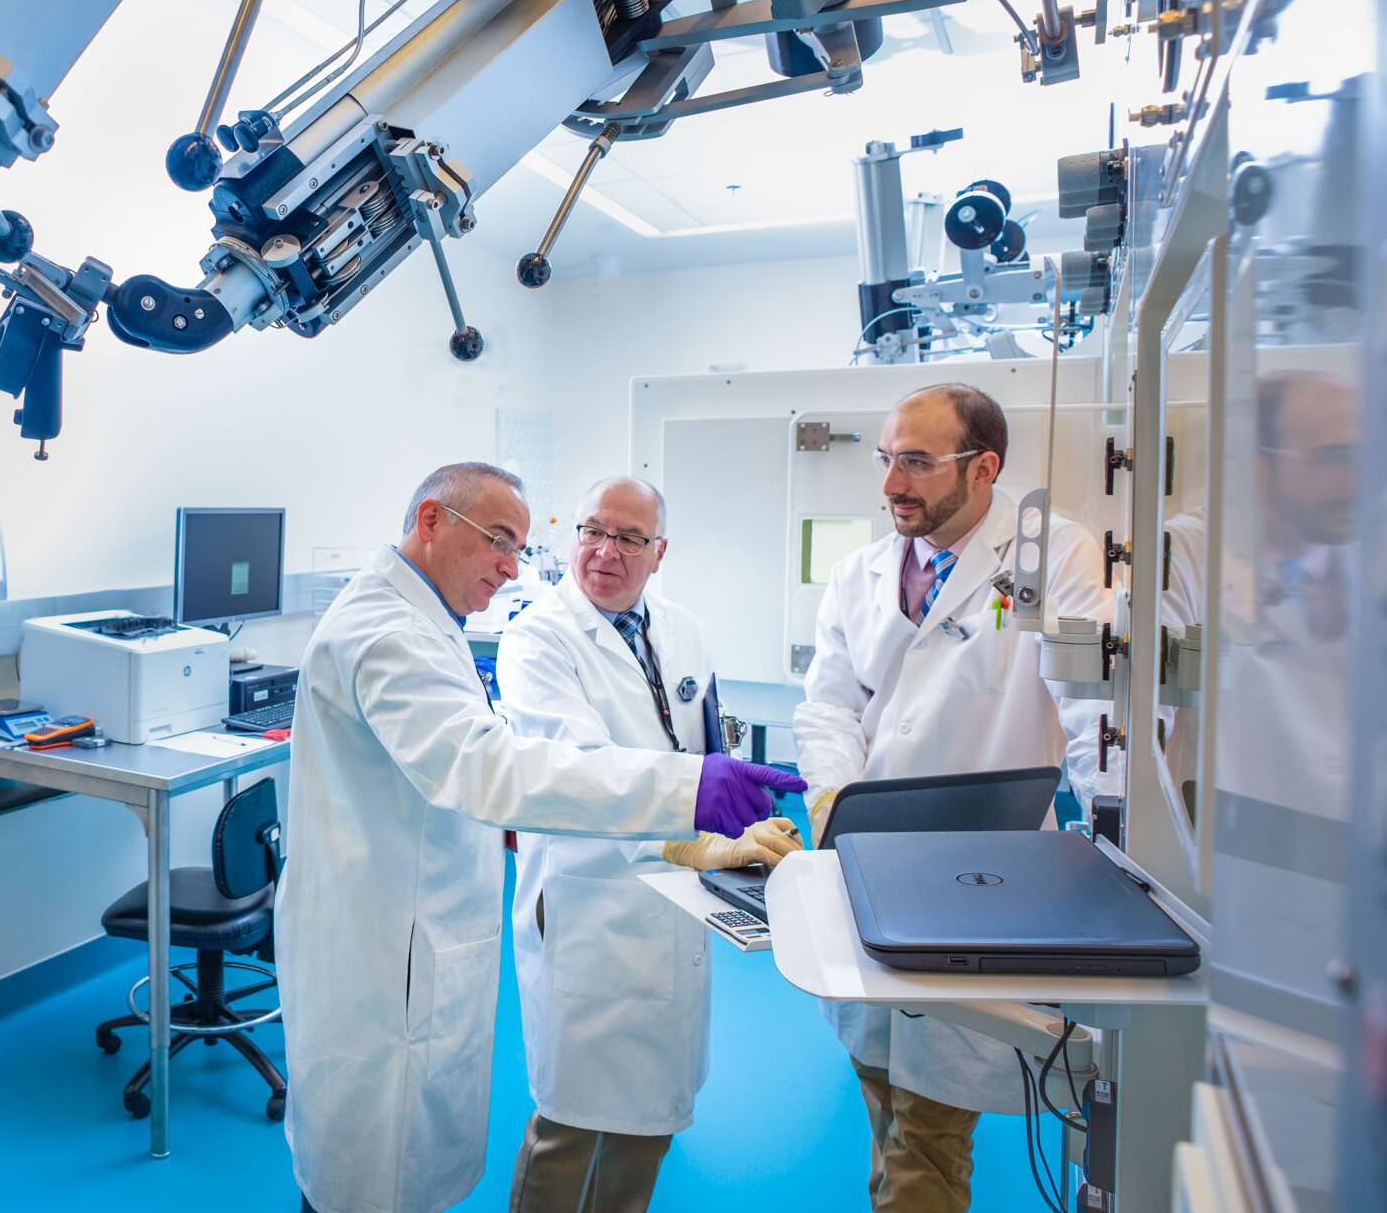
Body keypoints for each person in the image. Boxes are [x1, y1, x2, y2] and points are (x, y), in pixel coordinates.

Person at [276, 462, 805, 1213]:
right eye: (499, 540)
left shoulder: (426, 624)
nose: (512, 566)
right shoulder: (389, 634)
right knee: (367, 1179)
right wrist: (687, 793)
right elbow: (489, 769)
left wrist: (708, 802)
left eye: (521, 546)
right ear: (431, 522)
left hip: (425, 931)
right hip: (388, 948)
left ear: (660, 551)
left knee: (397, 1171)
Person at [791, 384, 1112, 1213]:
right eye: (887, 458)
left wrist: (1119, 840)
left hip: (980, 884)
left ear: (984, 469)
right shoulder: (860, 572)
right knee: (886, 1099)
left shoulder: (1053, 557)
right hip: (862, 865)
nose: (893, 483)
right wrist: (832, 801)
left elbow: (1095, 712)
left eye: (918, 463)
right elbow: (830, 703)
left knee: (928, 1131)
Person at [500, 476, 800, 1213]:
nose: (605, 551)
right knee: (567, 1130)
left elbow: (700, 740)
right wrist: (692, 812)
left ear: (658, 552)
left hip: (675, 909)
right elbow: (576, 768)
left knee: (650, 1122)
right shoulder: (536, 638)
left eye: (629, 538)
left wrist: (734, 832)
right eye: (591, 531)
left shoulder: (684, 630)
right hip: (587, 905)